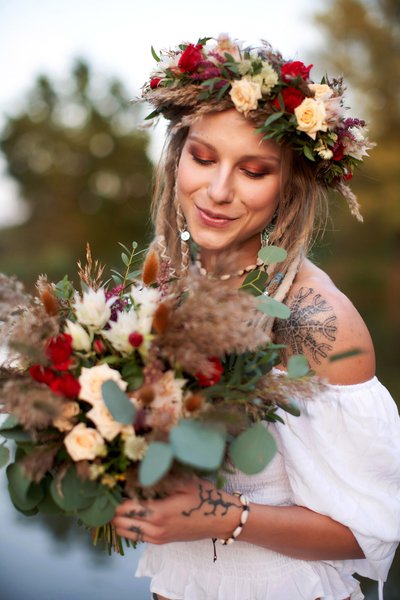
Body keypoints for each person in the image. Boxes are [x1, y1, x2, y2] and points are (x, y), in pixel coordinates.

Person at [112, 35, 400, 600]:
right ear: (176, 157)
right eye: (203, 158)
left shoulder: (316, 321)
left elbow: (371, 533)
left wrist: (224, 515)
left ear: (287, 183)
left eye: (253, 170)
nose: (217, 191)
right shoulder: (162, 279)